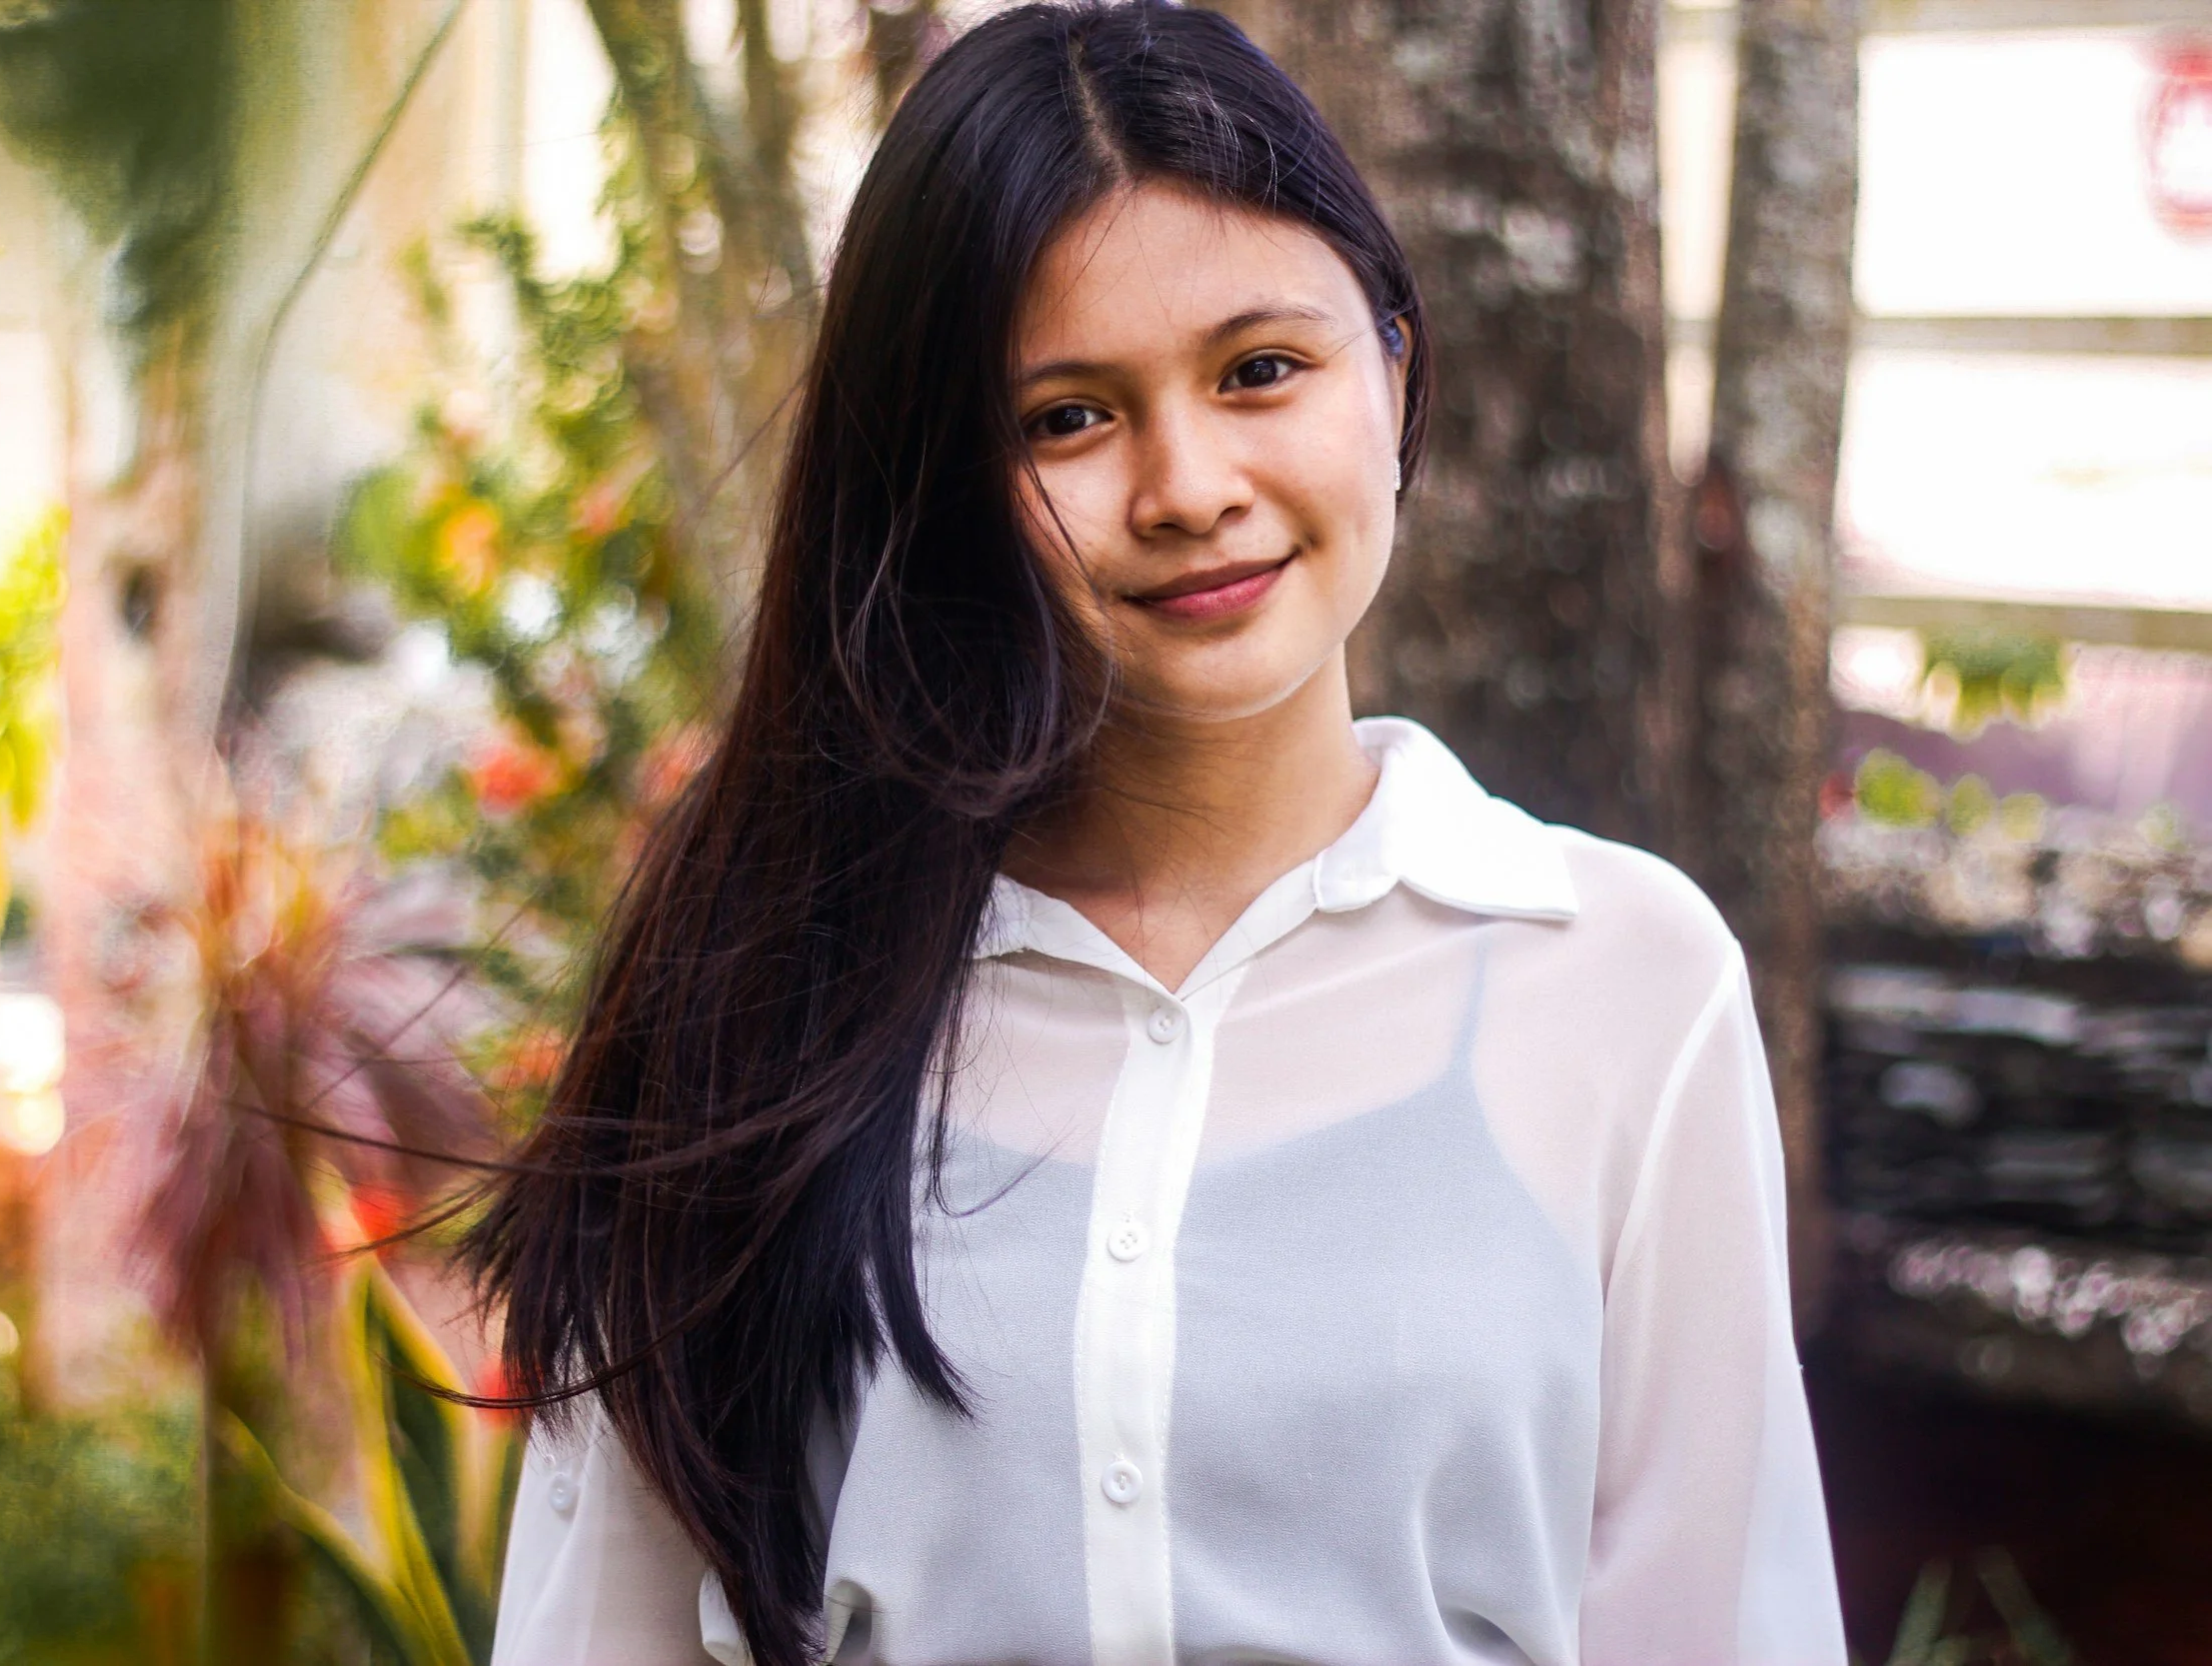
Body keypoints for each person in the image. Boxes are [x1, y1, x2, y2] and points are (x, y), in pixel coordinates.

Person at [471, 3, 1846, 1661]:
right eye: (1068, 415)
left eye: (1261, 369)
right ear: (941, 482)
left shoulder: (1623, 982)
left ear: (1395, 368)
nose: (1187, 484)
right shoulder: (759, 991)